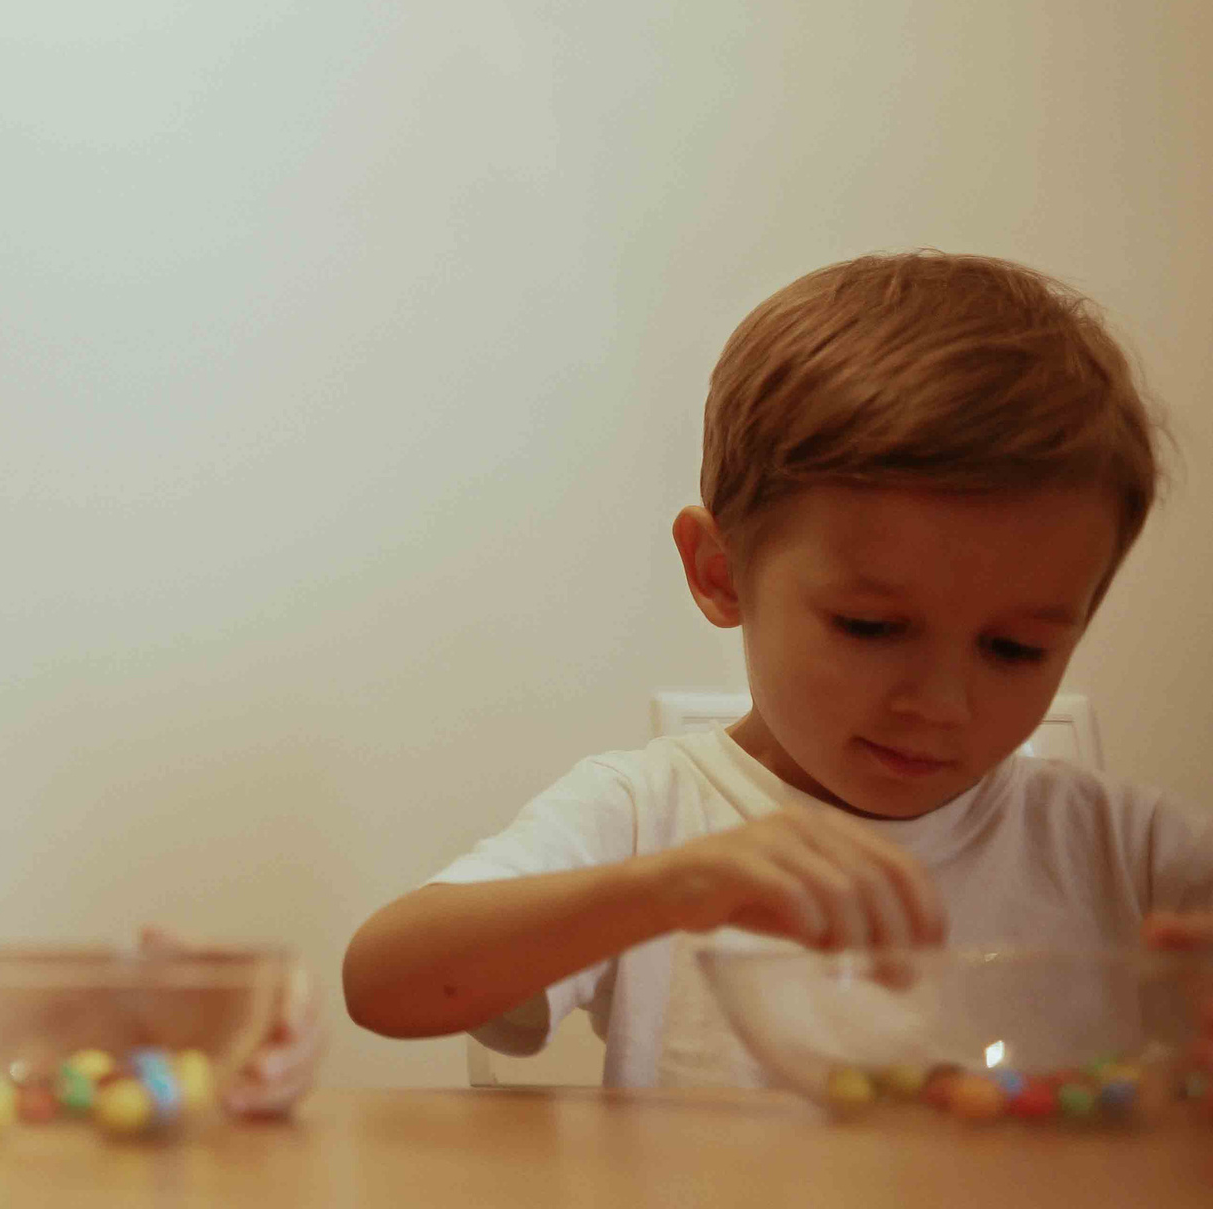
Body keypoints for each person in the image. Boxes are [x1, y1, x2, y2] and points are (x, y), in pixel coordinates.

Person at [340, 251, 1213, 1086]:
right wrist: (669, 891)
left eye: (1015, 648)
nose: (942, 705)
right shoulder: (650, 817)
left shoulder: (1127, 852)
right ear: (720, 573)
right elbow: (384, 985)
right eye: (872, 627)